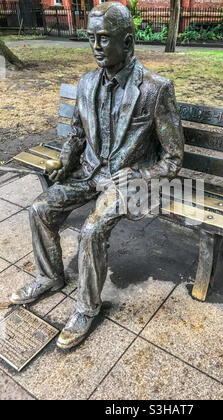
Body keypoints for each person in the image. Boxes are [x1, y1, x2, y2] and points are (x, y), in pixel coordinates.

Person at [10, 2, 184, 350]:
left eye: (104, 39)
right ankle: (49, 276)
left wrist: (138, 174)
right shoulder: (87, 82)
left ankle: (87, 309)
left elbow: (174, 158)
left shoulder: (155, 89)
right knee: (40, 209)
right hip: (89, 170)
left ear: (129, 43)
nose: (95, 47)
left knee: (92, 229)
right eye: (91, 38)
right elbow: (76, 135)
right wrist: (63, 160)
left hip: (125, 180)